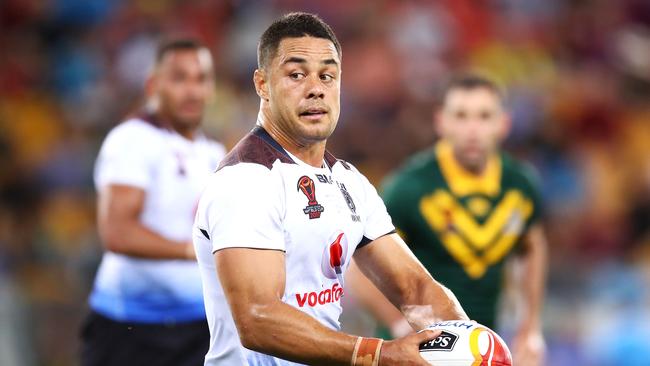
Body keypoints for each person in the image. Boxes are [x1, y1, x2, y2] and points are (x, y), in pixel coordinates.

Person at [193, 12, 469, 366]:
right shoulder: (247, 180)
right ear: (262, 84)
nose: (315, 88)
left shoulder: (349, 182)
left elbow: (415, 290)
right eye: (296, 75)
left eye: (328, 75)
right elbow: (258, 319)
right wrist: (379, 354)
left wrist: (465, 341)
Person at [357, 74, 547, 366]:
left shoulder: (520, 186)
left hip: (482, 348)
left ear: (503, 124)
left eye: (484, 116)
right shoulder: (409, 187)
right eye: (460, 116)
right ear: (441, 122)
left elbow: (532, 245)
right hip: (419, 350)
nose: (472, 129)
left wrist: (530, 327)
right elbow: (359, 264)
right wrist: (397, 324)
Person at [81, 39, 226, 366]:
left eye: (200, 78)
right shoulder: (133, 139)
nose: (192, 90)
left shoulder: (213, 153)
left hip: (198, 325)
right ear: (153, 85)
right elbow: (118, 234)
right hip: (131, 329)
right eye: (179, 78)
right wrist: (196, 251)